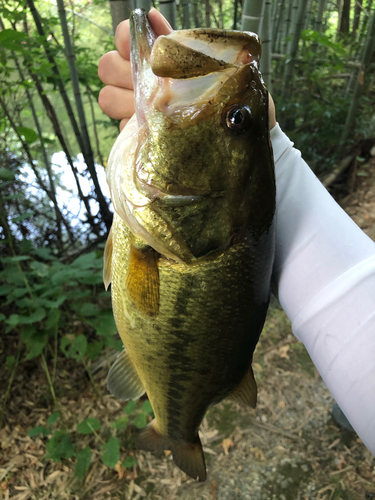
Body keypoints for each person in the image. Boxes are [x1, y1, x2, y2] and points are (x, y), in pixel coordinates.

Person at [98, 9, 375, 456]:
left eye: (235, 121)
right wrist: (270, 147)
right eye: (238, 121)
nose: (237, 119)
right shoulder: (199, 224)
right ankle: (178, 427)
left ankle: (174, 429)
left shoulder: (187, 230)